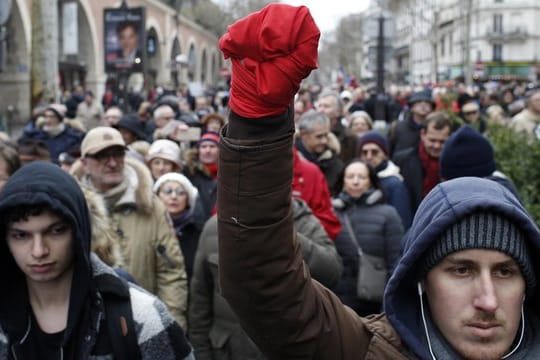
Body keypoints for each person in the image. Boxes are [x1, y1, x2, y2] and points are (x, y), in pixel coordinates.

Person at [216, 5, 540, 359]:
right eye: (461, 270)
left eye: (506, 272)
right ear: (421, 280)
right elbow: (265, 286)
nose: (488, 301)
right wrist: (258, 120)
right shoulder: (368, 350)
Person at [0, 161, 194, 359]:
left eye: (56, 231)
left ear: (79, 231)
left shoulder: (141, 317)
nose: (39, 251)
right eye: (21, 235)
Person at [189, 197, 342, 359]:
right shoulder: (215, 227)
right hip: (230, 351)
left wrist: (283, 234)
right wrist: (203, 354)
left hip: (288, 350)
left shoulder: (303, 223)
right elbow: (200, 303)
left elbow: (332, 271)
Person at [70, 126, 188, 327]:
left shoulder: (151, 206)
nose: (113, 162)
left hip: (144, 323)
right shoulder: (71, 208)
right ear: (84, 163)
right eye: (101, 156)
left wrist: (170, 325)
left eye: (118, 154)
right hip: (87, 326)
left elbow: (171, 272)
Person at [332, 160, 403, 315]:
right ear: (343, 181)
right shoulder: (331, 213)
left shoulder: (388, 214)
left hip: (374, 300)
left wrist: (389, 303)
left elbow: (395, 262)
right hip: (339, 298)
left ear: (371, 182)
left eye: (362, 177)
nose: (355, 181)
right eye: (350, 177)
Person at [393, 111, 452, 214]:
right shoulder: (402, 160)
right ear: (423, 135)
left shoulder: (456, 164)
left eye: (442, 142)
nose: (436, 146)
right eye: (432, 140)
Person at [358, 130, 412, 228]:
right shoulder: (357, 179)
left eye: (374, 152)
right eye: (364, 152)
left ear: (385, 154)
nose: (369, 157)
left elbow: (403, 222)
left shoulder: (394, 184)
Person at [153, 173, 201, 284]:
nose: (174, 197)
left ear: (188, 199)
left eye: (180, 192)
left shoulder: (198, 232)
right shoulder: (148, 229)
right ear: (157, 196)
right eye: (168, 191)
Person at [295, 110, 344, 196]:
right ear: (304, 135)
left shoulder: (336, 164)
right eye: (319, 136)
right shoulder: (289, 161)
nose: (324, 141)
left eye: (326, 135)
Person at [18, 104, 84, 165]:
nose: (48, 120)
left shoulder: (73, 138)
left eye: (52, 117)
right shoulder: (35, 135)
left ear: (59, 119)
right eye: (46, 116)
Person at [388, 90, 435, 156]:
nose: (423, 105)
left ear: (432, 108)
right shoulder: (398, 127)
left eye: (427, 103)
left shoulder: (435, 129)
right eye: (418, 102)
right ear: (412, 107)